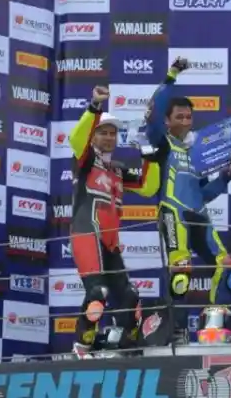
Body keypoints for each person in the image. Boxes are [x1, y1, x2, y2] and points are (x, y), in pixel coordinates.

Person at [142, 58, 231, 339]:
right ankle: (174, 331)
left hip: (199, 214)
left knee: (227, 264)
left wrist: (228, 174)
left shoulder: (196, 153)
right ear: (167, 121)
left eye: (188, 117)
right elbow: (153, 112)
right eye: (179, 117)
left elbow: (203, 194)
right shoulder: (161, 143)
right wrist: (171, 75)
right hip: (173, 212)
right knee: (181, 269)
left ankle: (216, 322)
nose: (185, 121)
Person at [68, 85, 160, 358]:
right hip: (86, 234)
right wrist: (94, 105)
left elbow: (148, 187)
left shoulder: (118, 170)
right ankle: (81, 348)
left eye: (112, 133)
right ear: (93, 135)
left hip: (111, 243)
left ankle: (128, 350)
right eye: (103, 132)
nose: (109, 138)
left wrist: (148, 154)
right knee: (97, 293)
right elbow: (76, 138)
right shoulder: (84, 159)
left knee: (130, 296)